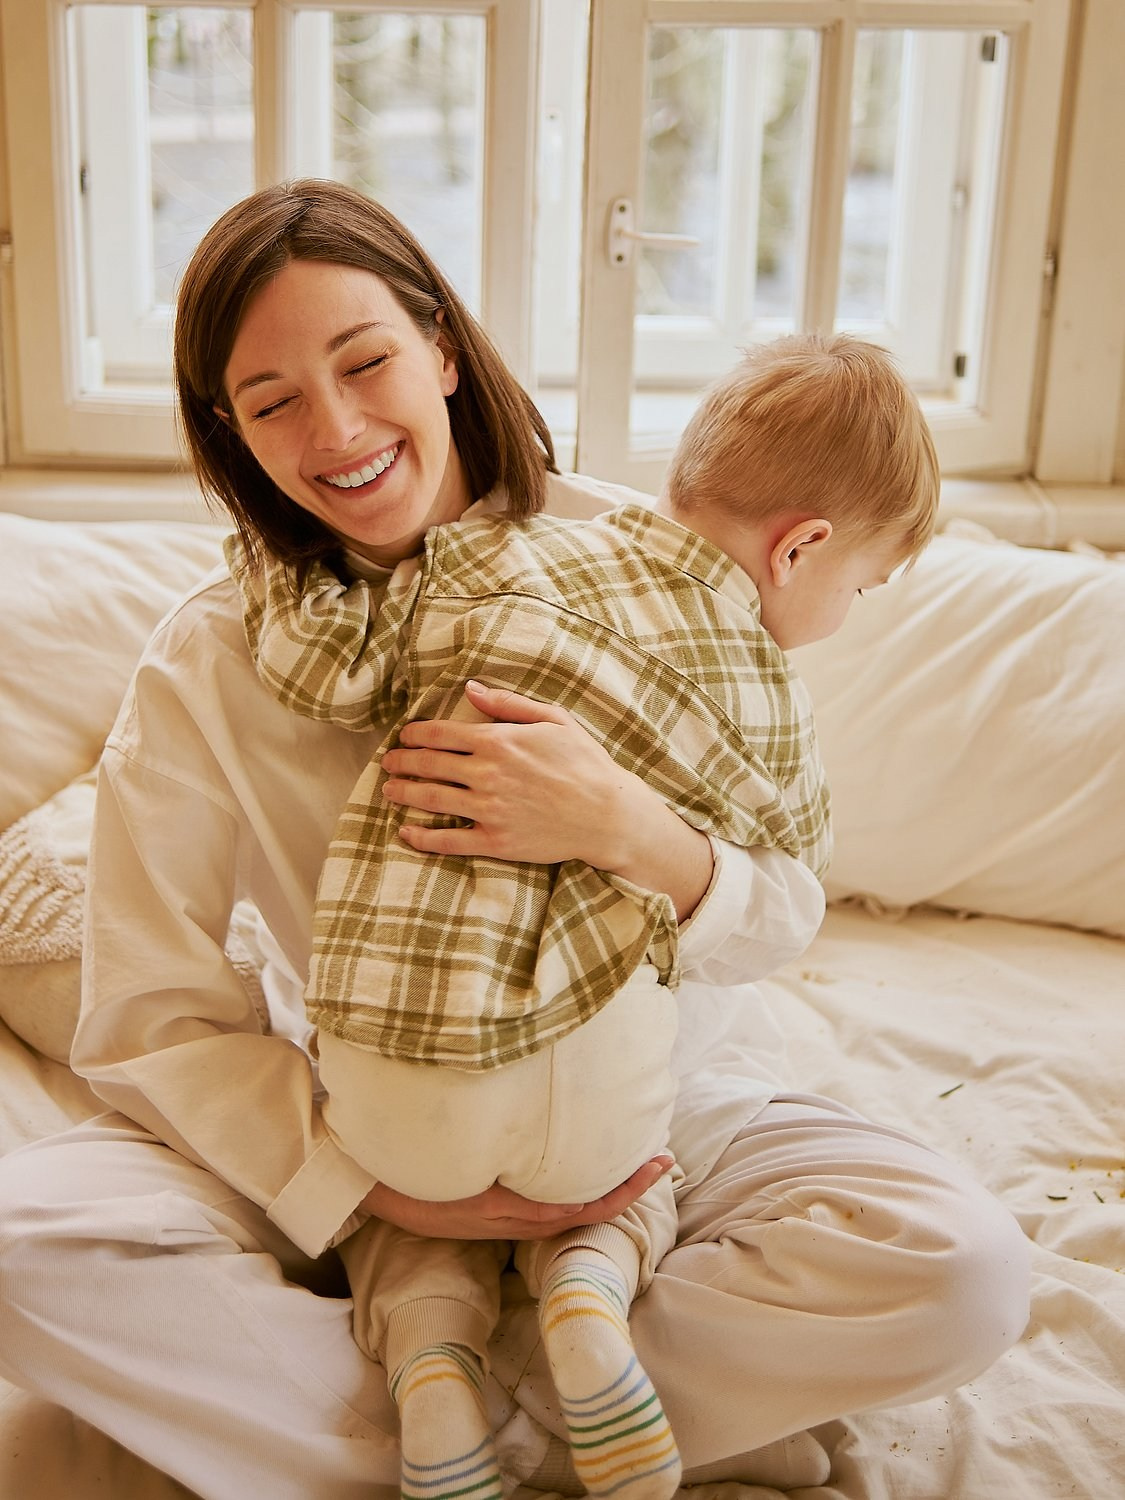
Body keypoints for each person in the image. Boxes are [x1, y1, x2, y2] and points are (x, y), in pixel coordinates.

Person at [0, 179, 1031, 1500]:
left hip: (649, 1102)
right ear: (231, 434)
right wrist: (357, 1184)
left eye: (365, 361)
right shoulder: (209, 662)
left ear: (439, 347)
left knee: (964, 1271)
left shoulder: (637, 560)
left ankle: (469, 1429)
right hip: (371, 1108)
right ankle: (585, 1423)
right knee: (28, 1255)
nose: (338, 429)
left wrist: (625, 826)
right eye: (273, 402)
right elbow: (147, 1013)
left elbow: (774, 897)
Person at [223, 324, 928, 1500]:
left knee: (394, 1198)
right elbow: (789, 907)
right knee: (630, 1175)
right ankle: (591, 1307)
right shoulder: (771, 703)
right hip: (597, 1109)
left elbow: (322, 667)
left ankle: (434, 1374)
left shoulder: (505, 561)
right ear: (801, 548)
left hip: (398, 1069)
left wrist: (262, 566)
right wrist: (673, 847)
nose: (846, 609)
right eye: (858, 586)